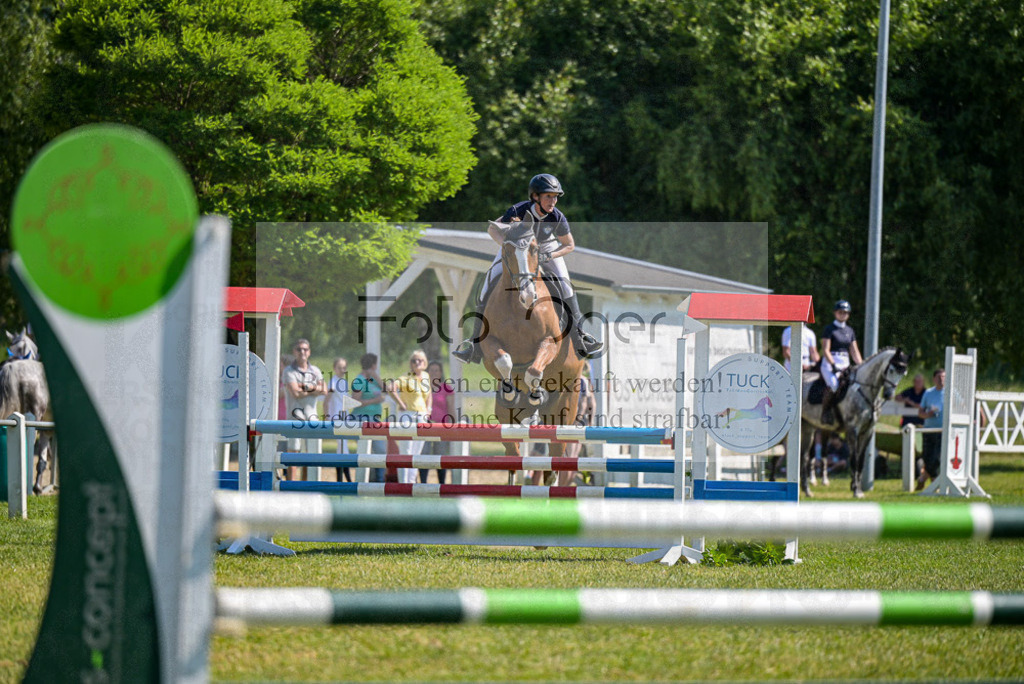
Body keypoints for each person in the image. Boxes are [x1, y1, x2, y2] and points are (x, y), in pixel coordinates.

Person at [452, 173, 603, 364]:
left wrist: (549, 255)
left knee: (566, 287)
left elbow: (569, 245)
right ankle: (473, 345)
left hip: (547, 249)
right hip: (517, 249)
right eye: (548, 196)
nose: (553, 201)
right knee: (486, 285)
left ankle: (581, 338)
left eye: (556, 196)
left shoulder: (557, 216)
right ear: (535, 196)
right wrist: (507, 248)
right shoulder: (518, 210)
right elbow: (492, 229)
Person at [281, 338, 326, 481]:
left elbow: (324, 389)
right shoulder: (288, 371)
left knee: (310, 453)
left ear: (309, 352)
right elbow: (295, 393)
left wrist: (304, 386)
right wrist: (314, 389)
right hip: (295, 418)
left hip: (312, 418)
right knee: (293, 452)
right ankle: (290, 486)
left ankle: (305, 486)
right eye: (299, 349)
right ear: (294, 352)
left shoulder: (316, 370)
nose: (302, 352)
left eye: (305, 349)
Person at [387, 350, 432, 484]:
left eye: (420, 360)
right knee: (406, 451)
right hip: (408, 415)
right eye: (414, 360)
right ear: (410, 363)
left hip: (422, 415)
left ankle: (411, 483)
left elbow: (429, 394)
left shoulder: (426, 376)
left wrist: (429, 408)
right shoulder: (406, 377)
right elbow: (390, 388)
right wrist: (400, 403)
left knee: (417, 452)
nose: (417, 363)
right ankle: (403, 483)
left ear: (425, 363)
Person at [820, 299, 863, 423]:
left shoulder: (850, 331)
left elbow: (854, 351)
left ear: (848, 314)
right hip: (830, 362)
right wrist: (832, 364)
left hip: (845, 362)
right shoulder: (829, 329)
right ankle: (826, 412)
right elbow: (825, 349)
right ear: (835, 313)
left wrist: (861, 365)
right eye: (840, 312)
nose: (842, 314)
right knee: (834, 385)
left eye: (845, 312)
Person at [350, 352, 386, 482]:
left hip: (374, 419)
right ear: (372, 365)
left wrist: (376, 376)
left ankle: (379, 480)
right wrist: (374, 401)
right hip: (362, 418)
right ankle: (366, 480)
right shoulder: (359, 380)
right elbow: (355, 401)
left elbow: (386, 389)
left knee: (380, 451)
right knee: (368, 451)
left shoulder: (373, 380)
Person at [559, 362, 597, 486]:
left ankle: (561, 489)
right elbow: (591, 405)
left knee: (567, 459)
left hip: (571, 424)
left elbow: (585, 404)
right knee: (573, 459)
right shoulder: (583, 381)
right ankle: (565, 488)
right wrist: (589, 424)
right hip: (580, 425)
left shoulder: (574, 380)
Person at [420, 360, 455, 484]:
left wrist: (452, 427)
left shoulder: (446, 388)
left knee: (440, 455)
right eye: (431, 370)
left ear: (440, 373)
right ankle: (423, 483)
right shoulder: (422, 387)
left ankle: (442, 483)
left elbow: (451, 409)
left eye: (436, 370)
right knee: (423, 454)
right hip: (425, 426)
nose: (434, 373)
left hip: (442, 427)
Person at [916, 368, 945, 491]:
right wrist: (928, 414)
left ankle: (924, 479)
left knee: (937, 458)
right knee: (927, 457)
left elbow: (961, 407)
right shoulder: (928, 393)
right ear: (934, 379)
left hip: (943, 431)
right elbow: (920, 413)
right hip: (928, 430)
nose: (941, 380)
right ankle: (932, 482)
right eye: (939, 377)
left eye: (943, 377)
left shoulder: (951, 393)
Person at [324, 357, 352, 482]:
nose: (342, 370)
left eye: (344, 368)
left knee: (342, 448)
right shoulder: (333, 382)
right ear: (334, 369)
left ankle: (342, 479)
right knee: (343, 448)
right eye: (340, 368)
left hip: (344, 418)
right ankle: (346, 479)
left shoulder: (343, 382)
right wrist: (327, 417)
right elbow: (326, 401)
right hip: (336, 418)